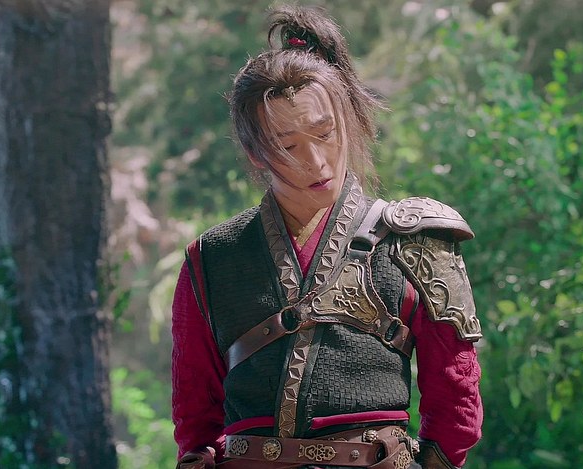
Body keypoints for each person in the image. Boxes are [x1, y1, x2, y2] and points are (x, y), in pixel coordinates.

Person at [171, 5, 483, 469]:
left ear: (346, 120)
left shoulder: (416, 240)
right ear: (256, 154)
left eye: (325, 134)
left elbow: (456, 398)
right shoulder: (211, 258)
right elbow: (195, 415)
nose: (316, 163)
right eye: (288, 147)